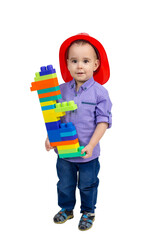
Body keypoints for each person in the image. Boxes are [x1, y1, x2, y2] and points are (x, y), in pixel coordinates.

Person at [45, 33, 112, 231]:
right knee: (64, 184)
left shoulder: (100, 93)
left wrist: (91, 145)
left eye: (85, 61)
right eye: (74, 61)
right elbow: (54, 117)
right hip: (64, 153)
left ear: (96, 64)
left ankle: (88, 211)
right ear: (67, 64)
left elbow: (103, 122)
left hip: (87, 154)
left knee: (87, 185)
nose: (79, 66)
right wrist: (51, 137)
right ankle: (66, 209)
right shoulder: (60, 90)